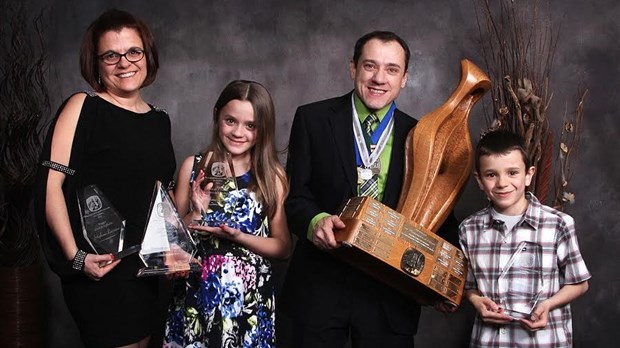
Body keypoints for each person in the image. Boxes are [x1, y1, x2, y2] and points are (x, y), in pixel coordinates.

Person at [282, 30, 459, 347]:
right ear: (353, 68)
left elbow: (442, 215)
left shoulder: (422, 137)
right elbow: (296, 198)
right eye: (369, 66)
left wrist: (444, 284)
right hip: (320, 286)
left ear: (405, 78)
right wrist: (314, 222)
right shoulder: (312, 119)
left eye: (392, 69)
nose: (379, 78)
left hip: (390, 295)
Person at [34, 9, 175, 348]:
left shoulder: (160, 120)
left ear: (147, 55)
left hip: (144, 271)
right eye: (111, 55)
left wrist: (177, 241)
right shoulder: (83, 107)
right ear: (96, 63)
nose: (124, 62)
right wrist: (76, 257)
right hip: (100, 267)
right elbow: (51, 184)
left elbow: (157, 198)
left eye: (133, 52)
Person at [164, 80, 292, 347]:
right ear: (216, 116)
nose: (238, 132)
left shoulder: (271, 176)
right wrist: (197, 212)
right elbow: (170, 243)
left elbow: (282, 247)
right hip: (197, 299)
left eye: (250, 126)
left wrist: (239, 236)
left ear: (262, 129)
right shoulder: (194, 166)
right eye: (230, 121)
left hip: (249, 304)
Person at [459, 129, 591, 347]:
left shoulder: (558, 224)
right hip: (489, 341)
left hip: (543, 341)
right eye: (491, 174)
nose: (502, 183)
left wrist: (548, 305)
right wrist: (475, 300)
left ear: (528, 174)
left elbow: (579, 283)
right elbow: (469, 285)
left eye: (512, 173)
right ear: (480, 180)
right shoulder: (469, 229)